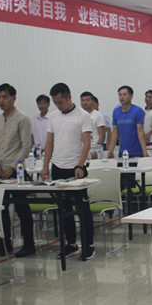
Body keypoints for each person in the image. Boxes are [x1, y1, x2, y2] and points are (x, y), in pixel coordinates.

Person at [41, 83, 94, 261]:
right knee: (64, 209)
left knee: (82, 209)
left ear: (69, 97)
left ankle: (88, 245)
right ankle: (71, 243)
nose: (58, 105)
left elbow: (86, 143)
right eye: (55, 102)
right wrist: (45, 166)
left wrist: (80, 165)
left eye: (60, 102)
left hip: (76, 168)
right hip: (58, 167)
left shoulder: (82, 115)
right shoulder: (53, 116)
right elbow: (49, 142)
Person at [0, 83, 35, 258]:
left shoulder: (23, 119)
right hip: (0, 171)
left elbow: (26, 146)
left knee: (22, 209)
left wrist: (13, 166)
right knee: (1, 209)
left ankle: (28, 243)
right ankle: (5, 243)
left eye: (5, 97)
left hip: (17, 171)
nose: (2, 101)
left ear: (14, 98)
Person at [107, 85, 148, 159]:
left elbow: (140, 131)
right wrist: (110, 151)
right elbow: (115, 132)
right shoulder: (116, 111)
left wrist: (145, 151)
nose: (122, 97)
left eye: (124, 94)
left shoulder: (138, 111)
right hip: (123, 152)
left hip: (137, 152)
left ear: (131, 96)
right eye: (120, 95)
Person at [80, 91, 106, 156]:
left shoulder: (98, 115)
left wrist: (97, 151)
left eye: (87, 100)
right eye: (83, 100)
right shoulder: (78, 115)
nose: (85, 102)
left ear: (92, 101)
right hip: (81, 150)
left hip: (93, 150)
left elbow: (102, 135)